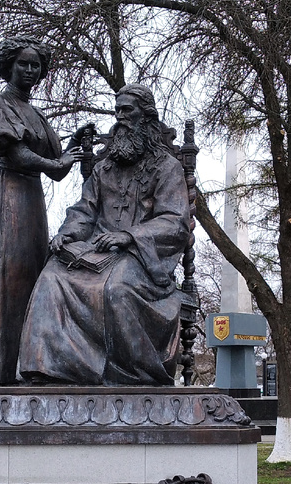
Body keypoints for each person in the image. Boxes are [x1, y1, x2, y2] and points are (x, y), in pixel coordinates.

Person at [18, 84, 191, 386]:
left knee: (117, 289)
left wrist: (130, 236)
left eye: (127, 111)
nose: (119, 117)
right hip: (94, 253)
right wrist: (68, 235)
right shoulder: (104, 169)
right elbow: (85, 212)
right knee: (50, 278)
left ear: (146, 117)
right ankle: (52, 370)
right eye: (117, 111)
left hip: (140, 257)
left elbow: (175, 221)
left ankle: (129, 374)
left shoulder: (167, 167)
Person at [0, 37, 82, 385]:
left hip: (32, 200)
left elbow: (57, 169)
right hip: (7, 194)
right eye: (23, 63)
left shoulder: (36, 114)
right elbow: (20, 156)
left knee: (32, 280)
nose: (29, 69)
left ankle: (27, 366)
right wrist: (60, 160)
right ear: (8, 66)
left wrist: (72, 146)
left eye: (35, 64)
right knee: (6, 278)